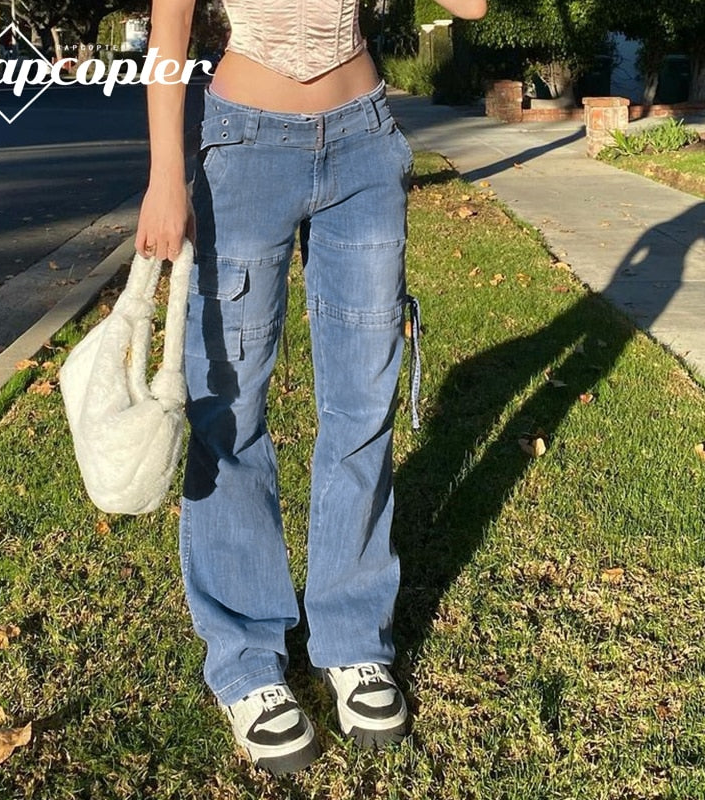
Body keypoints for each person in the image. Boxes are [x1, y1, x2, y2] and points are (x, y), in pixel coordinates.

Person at [136, 0, 488, 776]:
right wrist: (165, 176)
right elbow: (170, 29)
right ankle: (246, 659)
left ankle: (354, 639)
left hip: (364, 144)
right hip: (244, 146)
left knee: (364, 405)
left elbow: (473, 7)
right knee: (228, 413)